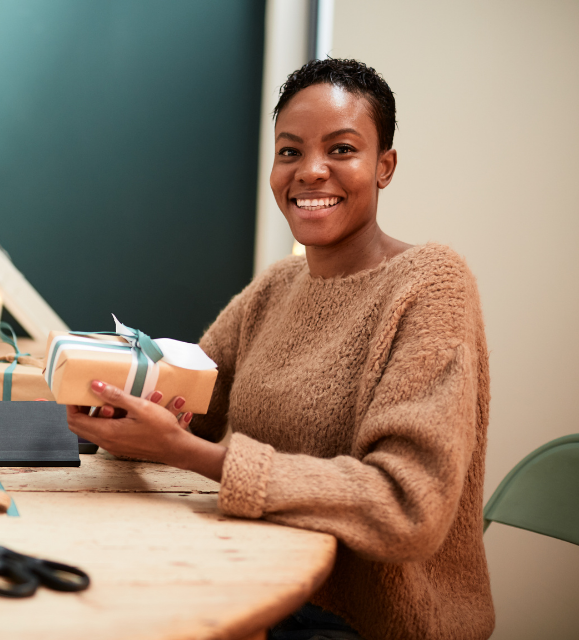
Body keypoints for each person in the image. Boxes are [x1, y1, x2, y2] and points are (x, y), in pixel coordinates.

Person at [66, 58, 494, 640]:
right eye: (290, 152)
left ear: (384, 166)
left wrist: (198, 456)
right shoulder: (275, 289)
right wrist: (119, 404)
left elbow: (405, 507)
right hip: (256, 573)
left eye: (341, 149)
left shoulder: (431, 285)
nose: (310, 171)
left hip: (362, 622)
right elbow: (190, 404)